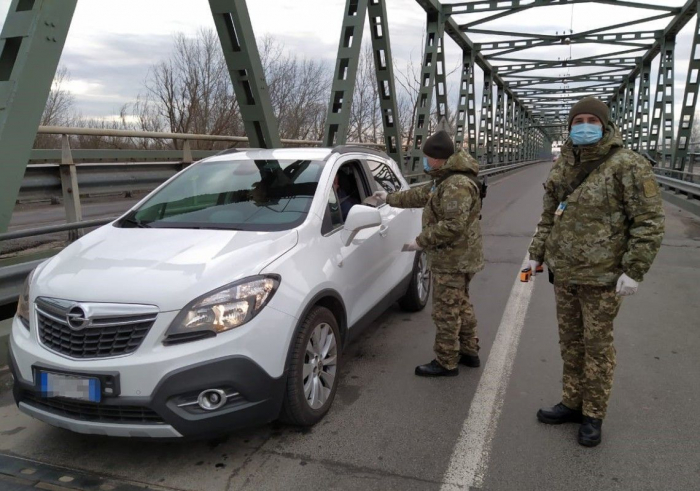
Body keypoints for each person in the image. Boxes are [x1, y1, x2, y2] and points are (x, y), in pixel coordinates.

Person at [528, 96, 665, 447]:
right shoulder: (562, 166)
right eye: (578, 120)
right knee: (571, 344)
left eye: (591, 119)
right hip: (565, 274)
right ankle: (572, 402)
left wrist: (634, 270)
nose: (584, 126)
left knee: (598, 347)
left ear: (604, 125)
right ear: (570, 126)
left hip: (603, 278)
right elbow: (549, 215)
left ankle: (593, 414)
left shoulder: (628, 165)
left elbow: (648, 221)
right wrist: (536, 254)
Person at [373, 130, 484, 377]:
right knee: (461, 304)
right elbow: (420, 195)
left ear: (436, 158)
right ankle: (469, 351)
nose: (424, 160)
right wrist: (389, 198)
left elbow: (453, 225)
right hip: (458, 256)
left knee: (446, 311)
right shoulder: (445, 179)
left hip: (453, 258)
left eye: (426, 156)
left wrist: (420, 241)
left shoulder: (456, 185)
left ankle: (446, 361)